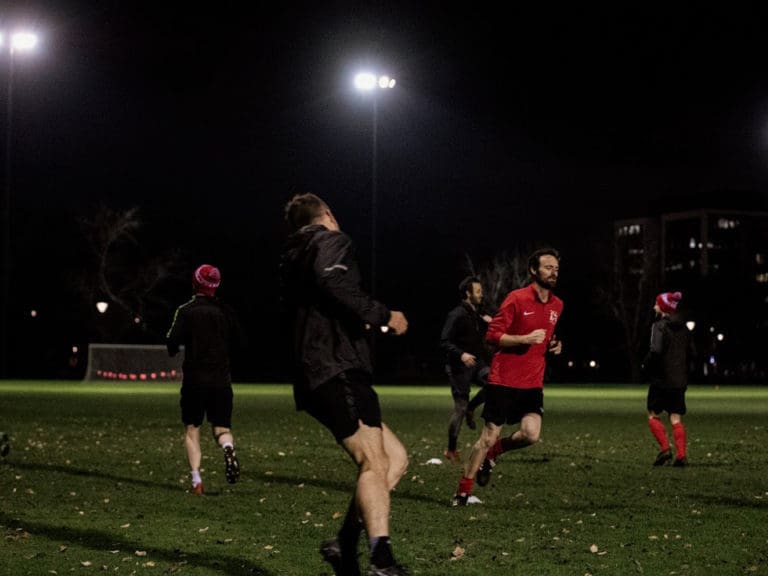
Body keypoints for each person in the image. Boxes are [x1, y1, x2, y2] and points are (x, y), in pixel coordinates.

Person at [280, 192, 410, 576]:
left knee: (396, 460)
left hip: (314, 373)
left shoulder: (291, 255)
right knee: (372, 460)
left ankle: (345, 543)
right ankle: (381, 560)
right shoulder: (330, 240)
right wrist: (384, 315)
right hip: (337, 366)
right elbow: (332, 281)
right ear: (328, 215)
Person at [452, 248, 564, 506]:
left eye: (556, 268)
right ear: (533, 271)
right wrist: (524, 339)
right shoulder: (516, 298)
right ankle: (463, 491)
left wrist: (555, 345)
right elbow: (492, 336)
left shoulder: (558, 305)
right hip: (504, 380)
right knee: (487, 436)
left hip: (532, 383)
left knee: (531, 434)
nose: (553, 272)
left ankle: (495, 453)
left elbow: (546, 338)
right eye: (548, 267)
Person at [166, 264, 243, 495]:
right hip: (221, 380)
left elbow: (171, 343)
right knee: (222, 427)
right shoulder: (226, 311)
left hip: (194, 381)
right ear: (215, 286)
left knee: (192, 429)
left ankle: (196, 481)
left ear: (195, 283)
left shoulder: (186, 310)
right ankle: (228, 447)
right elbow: (241, 341)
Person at [440, 276, 492, 462]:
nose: (482, 294)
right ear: (468, 294)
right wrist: (461, 354)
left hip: (477, 363)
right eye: (478, 291)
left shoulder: (476, 314)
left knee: (494, 382)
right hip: (458, 366)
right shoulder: (456, 314)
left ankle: (472, 407)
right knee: (459, 409)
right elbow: (444, 341)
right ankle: (451, 449)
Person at [643, 291, 689, 467]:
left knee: (653, 414)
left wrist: (645, 366)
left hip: (661, 379)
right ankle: (681, 455)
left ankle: (665, 449)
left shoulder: (659, 326)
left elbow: (655, 351)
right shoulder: (684, 328)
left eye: (656, 304)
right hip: (679, 380)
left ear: (662, 308)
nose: (654, 307)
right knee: (675, 418)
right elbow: (689, 353)